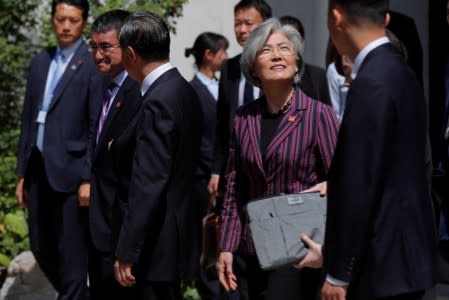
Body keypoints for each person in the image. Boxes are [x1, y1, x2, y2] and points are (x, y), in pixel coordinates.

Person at [299, 1, 438, 299]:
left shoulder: (371, 83)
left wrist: (339, 273)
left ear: (336, 17)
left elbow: (361, 184)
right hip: (406, 259)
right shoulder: (400, 70)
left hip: (380, 266)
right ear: (385, 18)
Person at [216, 18, 339, 300]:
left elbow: (340, 180)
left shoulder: (318, 114)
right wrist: (226, 246)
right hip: (251, 249)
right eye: (265, 50)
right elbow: (234, 187)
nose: (276, 55)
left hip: (299, 249)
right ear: (252, 67)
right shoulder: (243, 118)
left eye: (284, 48)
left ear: (296, 61)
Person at [14, 0, 103, 299]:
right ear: (52, 20)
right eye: (61, 18)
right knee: (40, 245)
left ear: (83, 23)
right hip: (38, 168)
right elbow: (29, 118)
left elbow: (95, 124)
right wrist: (22, 172)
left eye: (73, 20)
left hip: (73, 172)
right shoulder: (41, 61)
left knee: (72, 253)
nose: (66, 26)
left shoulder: (91, 63)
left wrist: (89, 177)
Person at [112, 11, 202, 300]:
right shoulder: (183, 89)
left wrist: (128, 249)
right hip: (173, 237)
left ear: (130, 53)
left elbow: (149, 180)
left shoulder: (158, 100)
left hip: (155, 245)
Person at [88, 9, 142, 300]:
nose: (98, 55)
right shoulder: (101, 87)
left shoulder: (140, 93)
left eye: (106, 47)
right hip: (99, 223)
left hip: (123, 228)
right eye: (94, 47)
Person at [208, 0, 272, 198]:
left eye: (248, 23)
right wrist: (217, 169)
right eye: (237, 23)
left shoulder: (277, 64)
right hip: (236, 165)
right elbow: (222, 123)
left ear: (265, 24)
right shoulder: (229, 68)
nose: (242, 30)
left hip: (270, 162)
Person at [185, 32, 229, 300]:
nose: (225, 57)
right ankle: (207, 287)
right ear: (209, 55)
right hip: (202, 178)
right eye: (222, 52)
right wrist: (211, 169)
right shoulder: (192, 91)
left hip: (221, 172)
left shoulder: (221, 86)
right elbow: (197, 139)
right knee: (207, 233)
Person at [279, 15, 331, 106]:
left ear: (302, 42)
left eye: (293, 40)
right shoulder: (269, 76)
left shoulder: (318, 77)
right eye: (282, 43)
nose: (288, 46)